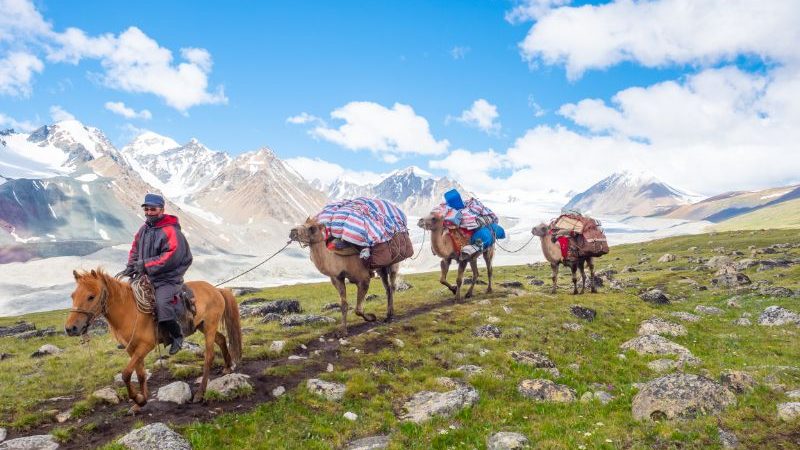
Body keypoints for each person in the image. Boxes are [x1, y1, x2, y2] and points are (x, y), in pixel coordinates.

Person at [122, 193, 193, 355]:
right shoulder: (144, 229)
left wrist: (145, 264)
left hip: (168, 278)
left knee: (162, 304)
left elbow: (171, 256)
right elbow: (134, 248)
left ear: (161, 210)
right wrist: (131, 266)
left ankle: (176, 336)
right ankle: (134, 335)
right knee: (126, 297)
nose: (149, 212)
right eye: (146, 209)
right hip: (147, 275)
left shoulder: (171, 231)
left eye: (153, 209)